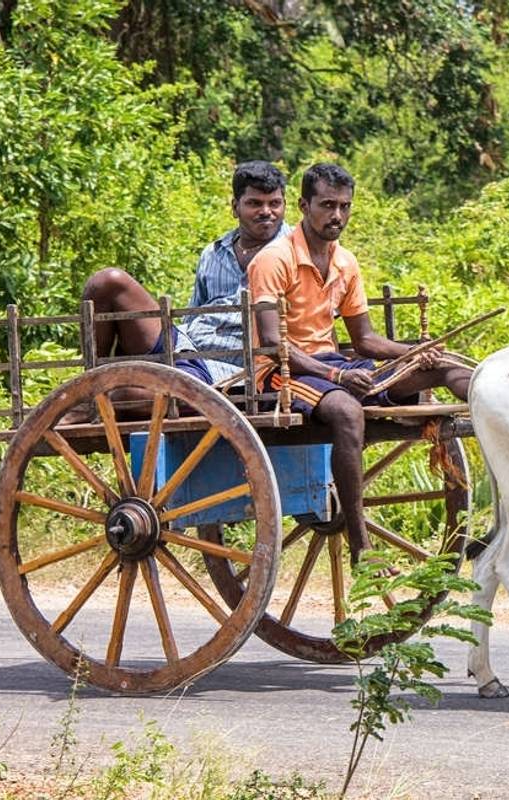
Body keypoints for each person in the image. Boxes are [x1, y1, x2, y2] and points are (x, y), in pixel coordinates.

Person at [249, 162, 472, 558]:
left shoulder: (345, 262)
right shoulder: (274, 259)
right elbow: (271, 343)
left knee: (441, 369)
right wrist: (334, 373)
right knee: (348, 411)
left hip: (334, 365)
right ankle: (359, 541)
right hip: (283, 374)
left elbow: (365, 340)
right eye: (327, 205)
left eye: (345, 207)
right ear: (304, 205)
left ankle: (501, 439)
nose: (337, 216)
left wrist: (416, 353)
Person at [76, 161, 290, 391]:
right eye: (255, 204)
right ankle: (90, 382)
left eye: (274, 204)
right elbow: (193, 312)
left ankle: (92, 396)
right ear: (235, 207)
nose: (266, 212)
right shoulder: (214, 252)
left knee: (124, 394)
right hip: (185, 350)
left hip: (231, 370)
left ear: (285, 205)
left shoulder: (294, 253)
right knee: (108, 281)